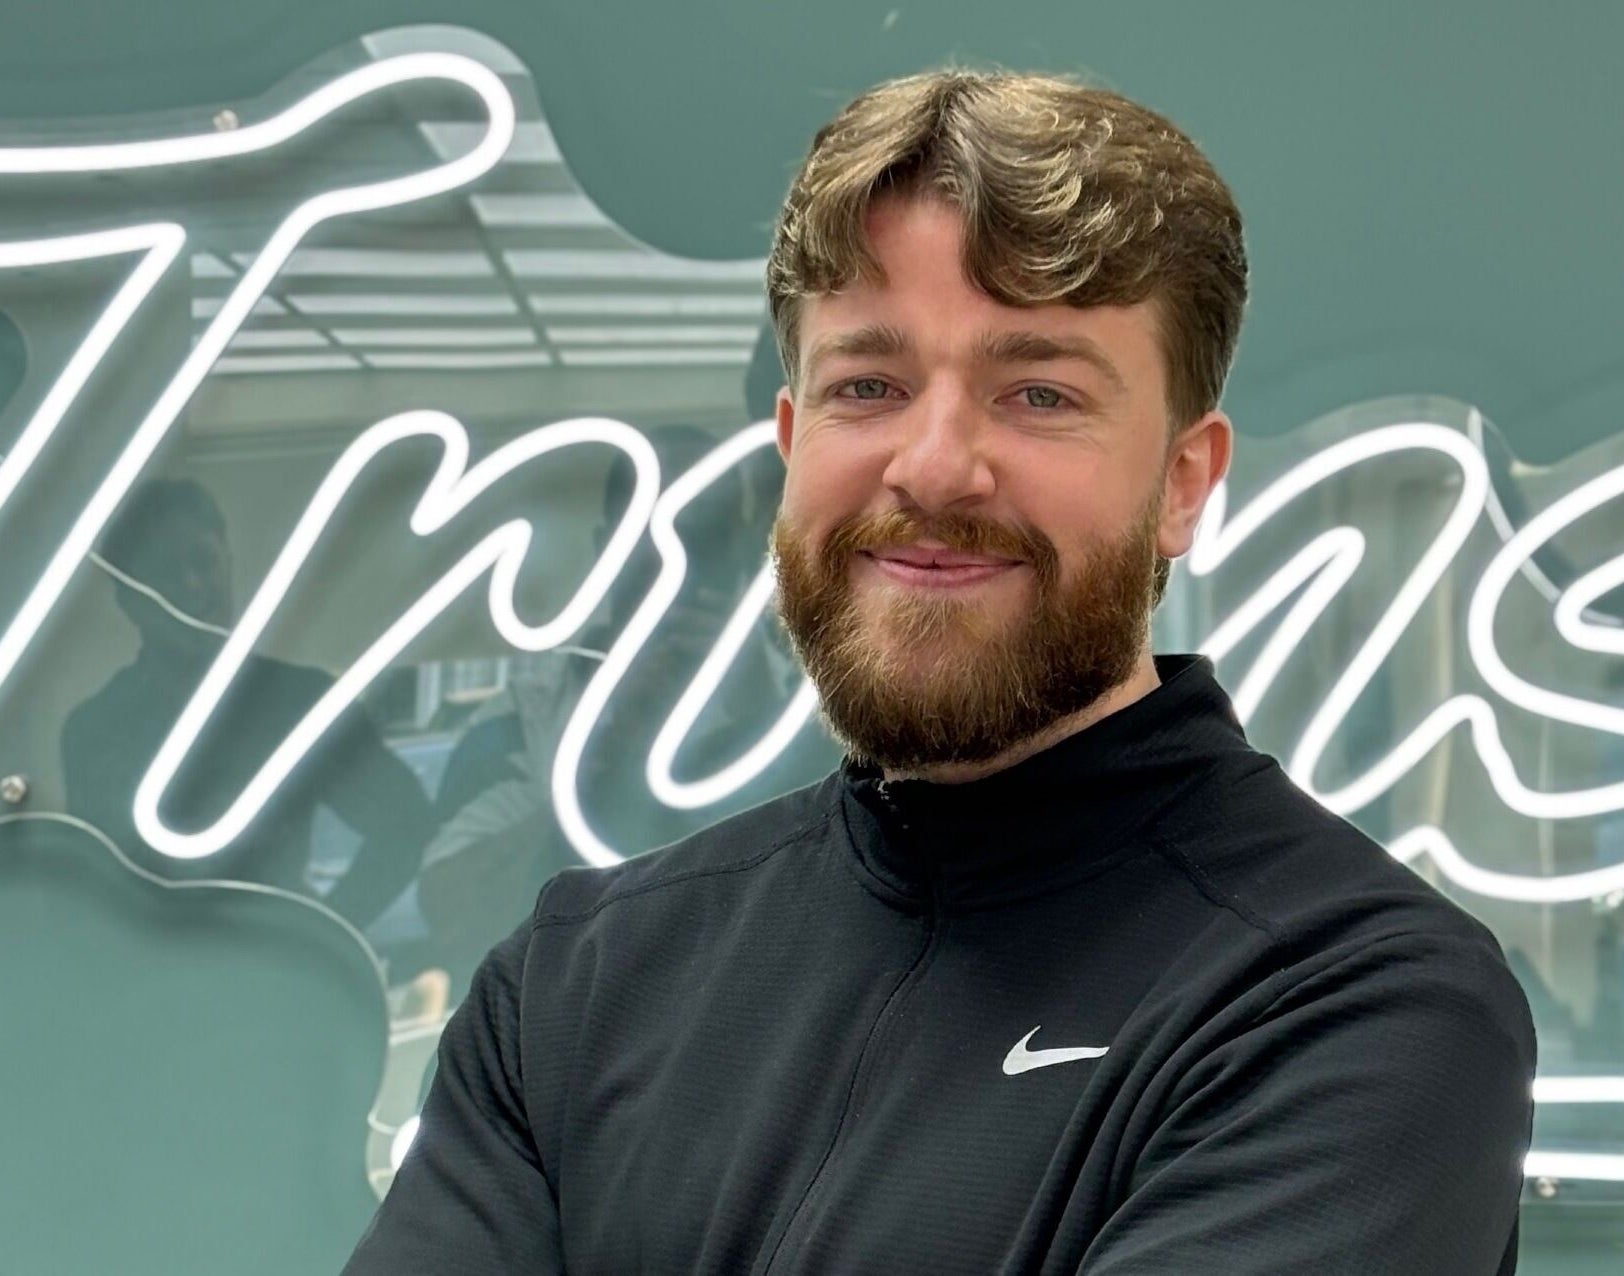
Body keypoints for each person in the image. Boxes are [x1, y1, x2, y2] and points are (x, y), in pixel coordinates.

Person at [344, 69, 1536, 1274]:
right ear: (795, 440)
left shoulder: (1348, 1008)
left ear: (1181, 481)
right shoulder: (578, 980)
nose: (932, 466)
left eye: (1037, 392)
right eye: (868, 384)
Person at [62, 477, 435, 935]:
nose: (190, 584)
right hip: (153, 984)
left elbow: (405, 821)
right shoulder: (94, 730)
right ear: (127, 598)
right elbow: (90, 894)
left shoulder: (297, 700)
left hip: (267, 977)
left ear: (228, 563)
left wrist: (320, 933)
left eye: (203, 560)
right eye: (162, 571)